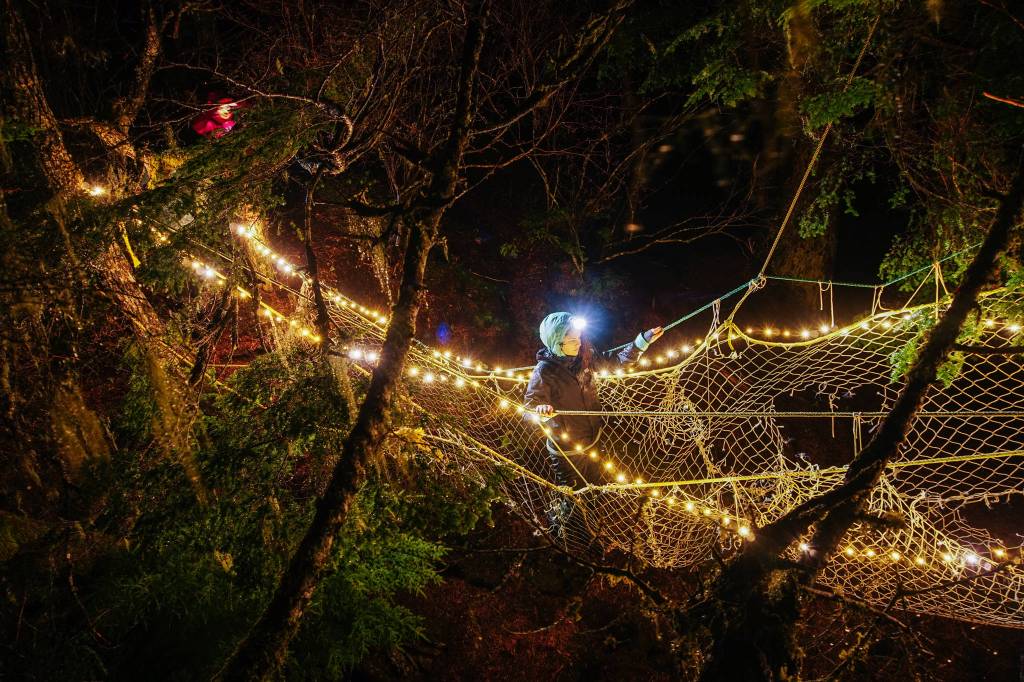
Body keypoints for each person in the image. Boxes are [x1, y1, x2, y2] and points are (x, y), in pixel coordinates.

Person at [524, 311, 662, 503]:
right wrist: (541, 413)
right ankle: (570, 529)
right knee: (573, 498)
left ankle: (593, 519)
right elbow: (530, 408)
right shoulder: (544, 372)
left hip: (593, 438)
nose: (579, 343)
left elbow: (615, 362)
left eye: (579, 337)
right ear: (557, 343)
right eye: (572, 340)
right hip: (567, 451)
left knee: (594, 488)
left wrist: (641, 343)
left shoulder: (585, 357)